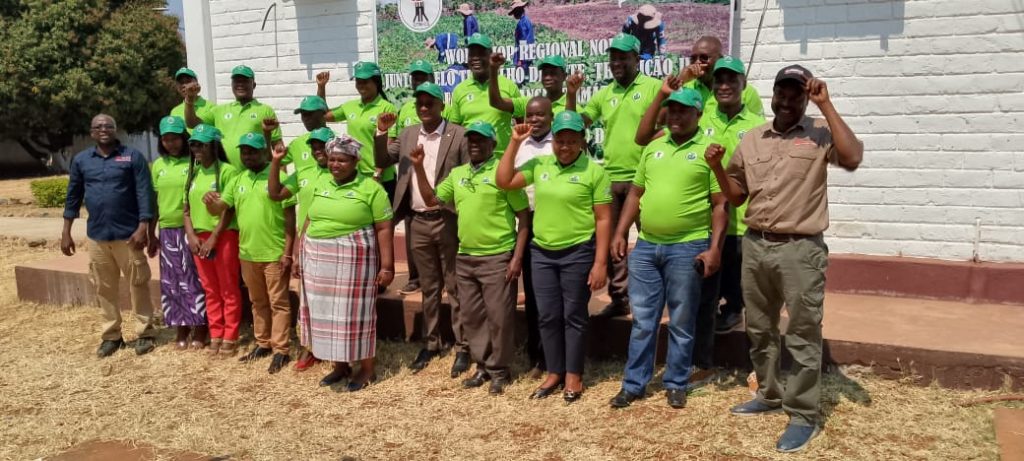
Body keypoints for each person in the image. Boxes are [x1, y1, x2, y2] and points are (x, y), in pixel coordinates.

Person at [707, 65, 863, 453]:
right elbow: (737, 195)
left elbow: (853, 156)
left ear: (806, 98)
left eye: (798, 95)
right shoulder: (752, 138)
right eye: (783, 93)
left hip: (800, 249)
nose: (788, 101)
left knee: (803, 331)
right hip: (756, 245)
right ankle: (769, 394)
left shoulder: (819, 134)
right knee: (759, 328)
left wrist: (826, 105)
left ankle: (804, 413)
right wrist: (715, 168)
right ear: (773, 94)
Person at [607, 86, 727, 410]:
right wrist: (621, 233)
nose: (675, 115)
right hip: (646, 248)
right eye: (671, 110)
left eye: (683, 110)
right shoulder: (653, 146)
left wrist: (715, 248)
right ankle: (634, 384)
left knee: (681, 320)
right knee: (643, 321)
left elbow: (720, 204)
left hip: (688, 247)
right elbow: (634, 193)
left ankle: (676, 381)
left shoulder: (709, 150)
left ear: (698, 114)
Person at [497, 111, 612, 403]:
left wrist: (600, 263)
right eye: (560, 140)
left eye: (572, 141)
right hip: (542, 253)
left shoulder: (594, 172)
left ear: (581, 142)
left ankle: (573, 374)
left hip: (577, 252)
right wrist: (513, 143)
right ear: (553, 141)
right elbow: (504, 180)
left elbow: (602, 220)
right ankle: (554, 371)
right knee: (547, 316)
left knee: (573, 316)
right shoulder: (540, 164)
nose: (565, 147)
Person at [410, 121, 531, 394]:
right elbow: (432, 200)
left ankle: (500, 370)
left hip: (498, 257)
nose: (474, 144)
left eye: (481, 140)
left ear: (493, 144)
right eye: (471, 140)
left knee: (499, 318)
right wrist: (418, 167)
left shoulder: (504, 172)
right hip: (465, 258)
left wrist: (517, 258)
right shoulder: (457, 174)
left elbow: (523, 218)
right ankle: (483, 366)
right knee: (473, 318)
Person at [374, 82, 471, 377]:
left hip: (447, 219)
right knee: (429, 288)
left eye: (430, 103)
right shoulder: (407, 134)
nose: (424, 108)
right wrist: (380, 133)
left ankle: (462, 346)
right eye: (420, 104)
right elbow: (382, 160)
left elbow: (468, 173)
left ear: (442, 105)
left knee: (454, 286)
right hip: (417, 220)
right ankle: (431, 343)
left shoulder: (459, 135)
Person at [568, 33, 662, 318]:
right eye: (613, 58)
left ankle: (654, 299)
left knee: (653, 240)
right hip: (611, 177)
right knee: (611, 243)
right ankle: (620, 300)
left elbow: (671, 123)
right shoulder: (604, 94)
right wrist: (571, 95)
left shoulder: (653, 87)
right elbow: (575, 123)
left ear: (637, 59)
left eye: (623, 57)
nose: (617, 63)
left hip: (647, 178)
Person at [690, 56, 767, 388]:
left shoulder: (757, 124)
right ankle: (702, 364)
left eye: (731, 80)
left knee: (754, 302)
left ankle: (757, 368)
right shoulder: (699, 117)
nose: (724, 85)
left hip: (746, 225)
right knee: (704, 301)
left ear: (742, 85)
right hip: (707, 227)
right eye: (719, 80)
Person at [298, 135, 395, 391]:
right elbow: (309, 218)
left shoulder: (371, 188)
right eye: (332, 159)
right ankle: (339, 366)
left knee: (355, 316)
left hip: (353, 260)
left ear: (355, 161)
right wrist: (300, 253)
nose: (335, 164)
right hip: (318, 260)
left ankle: (366, 368)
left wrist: (387, 266)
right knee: (327, 315)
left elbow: (384, 227)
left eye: (341, 160)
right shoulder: (321, 183)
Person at [62, 114, 157, 358]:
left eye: (108, 126)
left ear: (115, 130)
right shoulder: (82, 160)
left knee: (138, 283)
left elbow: (144, 193)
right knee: (104, 288)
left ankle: (144, 332)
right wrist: (66, 232)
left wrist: (143, 226)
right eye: (98, 126)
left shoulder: (132, 156)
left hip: (129, 235)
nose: (103, 129)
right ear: (91, 132)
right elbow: (73, 195)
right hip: (97, 236)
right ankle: (112, 336)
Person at [203, 133, 297, 374]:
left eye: (253, 151)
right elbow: (219, 209)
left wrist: (288, 252)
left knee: (279, 303)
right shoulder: (237, 179)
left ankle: (281, 350)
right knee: (257, 302)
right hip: (247, 253)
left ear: (264, 152)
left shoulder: (278, 177)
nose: (248, 156)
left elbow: (290, 218)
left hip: (274, 252)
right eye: (244, 151)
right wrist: (209, 202)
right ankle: (263, 343)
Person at [265, 112, 335, 372]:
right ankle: (311, 348)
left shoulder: (344, 171)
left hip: (337, 242)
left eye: (323, 145)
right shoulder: (304, 173)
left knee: (334, 297)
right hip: (309, 242)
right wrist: (275, 163)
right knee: (309, 298)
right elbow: (275, 193)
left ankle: (336, 347)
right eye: (314, 146)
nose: (318, 150)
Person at [183, 124, 243, 357]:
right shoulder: (193, 172)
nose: (196, 148)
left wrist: (215, 237)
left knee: (228, 287)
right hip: (199, 237)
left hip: (223, 235)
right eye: (193, 144)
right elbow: (186, 209)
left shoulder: (228, 171)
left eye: (201, 144)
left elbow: (229, 210)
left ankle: (230, 335)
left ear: (213, 146)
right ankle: (215, 333)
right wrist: (191, 235)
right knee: (210, 288)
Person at [150, 116, 208, 350]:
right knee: (172, 282)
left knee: (194, 279)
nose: (171, 144)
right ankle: (181, 326)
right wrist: (152, 233)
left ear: (184, 139)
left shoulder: (194, 162)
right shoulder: (158, 165)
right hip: (167, 231)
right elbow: (155, 201)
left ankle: (201, 327)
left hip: (191, 229)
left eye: (175, 139)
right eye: (166, 139)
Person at [507, 95, 554, 378]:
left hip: (555, 220)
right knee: (535, 293)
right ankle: (537, 356)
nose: (535, 120)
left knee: (554, 294)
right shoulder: (519, 144)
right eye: (530, 115)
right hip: (528, 221)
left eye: (540, 115)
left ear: (551, 116)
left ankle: (556, 355)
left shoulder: (560, 143)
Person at [319, 62, 399, 200]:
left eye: (365, 81)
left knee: (383, 220)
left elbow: (389, 145)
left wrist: (377, 174)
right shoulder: (350, 106)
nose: (361, 85)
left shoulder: (387, 108)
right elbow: (324, 115)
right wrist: (321, 87)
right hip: (356, 175)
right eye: (358, 81)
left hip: (381, 178)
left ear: (376, 82)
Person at [183, 65, 284, 168]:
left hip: (254, 174)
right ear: (232, 85)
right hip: (225, 174)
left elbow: (277, 145)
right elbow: (191, 123)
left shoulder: (265, 110)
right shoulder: (219, 110)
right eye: (236, 81)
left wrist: (282, 175)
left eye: (245, 81)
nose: (240, 85)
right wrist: (190, 99)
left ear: (253, 85)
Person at [449, 33, 525, 158]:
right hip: (471, 161)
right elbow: (455, 129)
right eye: (472, 54)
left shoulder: (509, 86)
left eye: (480, 54)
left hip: (503, 160)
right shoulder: (459, 90)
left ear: (490, 56)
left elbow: (522, 124)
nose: (475, 58)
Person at [683, 36, 763, 119]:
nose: (697, 62)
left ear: (720, 59)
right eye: (693, 59)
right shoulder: (686, 88)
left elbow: (759, 128)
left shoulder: (746, 92)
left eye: (704, 58)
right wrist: (680, 80)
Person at [489, 54, 569, 117]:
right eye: (545, 74)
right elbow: (497, 103)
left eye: (553, 73)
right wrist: (493, 69)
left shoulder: (572, 106)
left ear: (564, 76)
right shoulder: (531, 104)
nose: (548, 77)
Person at [170, 67, 213, 132]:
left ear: (196, 83)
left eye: (188, 81)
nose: (184, 85)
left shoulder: (211, 107)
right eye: (181, 82)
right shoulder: (174, 112)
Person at [509, 0, 534, 70]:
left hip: (523, 56)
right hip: (528, 54)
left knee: (522, 76)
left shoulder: (522, 23)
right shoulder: (526, 20)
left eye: (514, 12)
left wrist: (520, 59)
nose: (513, 15)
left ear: (518, 10)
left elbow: (523, 41)